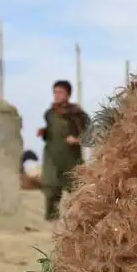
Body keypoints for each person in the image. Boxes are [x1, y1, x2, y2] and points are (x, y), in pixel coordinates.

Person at [37, 80, 90, 223]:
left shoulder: (78, 114)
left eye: (60, 92)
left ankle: (80, 223)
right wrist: (44, 132)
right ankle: (52, 225)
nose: (56, 95)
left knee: (78, 191)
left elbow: (90, 132)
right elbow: (52, 131)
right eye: (55, 92)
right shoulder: (49, 113)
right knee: (51, 189)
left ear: (68, 94)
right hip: (52, 158)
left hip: (71, 159)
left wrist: (77, 139)